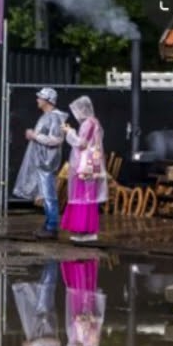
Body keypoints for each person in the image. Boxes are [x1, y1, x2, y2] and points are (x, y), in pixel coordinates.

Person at [14, 87, 67, 239]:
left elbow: (56, 140)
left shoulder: (54, 117)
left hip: (46, 163)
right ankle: (48, 224)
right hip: (42, 162)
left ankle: (51, 227)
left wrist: (35, 136)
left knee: (49, 195)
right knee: (45, 195)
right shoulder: (46, 116)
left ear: (47, 100)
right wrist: (35, 136)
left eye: (40, 97)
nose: (37, 100)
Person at [60, 96, 107, 243]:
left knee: (82, 195)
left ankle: (84, 230)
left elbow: (82, 144)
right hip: (92, 163)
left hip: (84, 164)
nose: (76, 113)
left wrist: (69, 132)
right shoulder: (95, 122)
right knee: (89, 196)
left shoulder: (88, 123)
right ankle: (87, 230)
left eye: (77, 110)